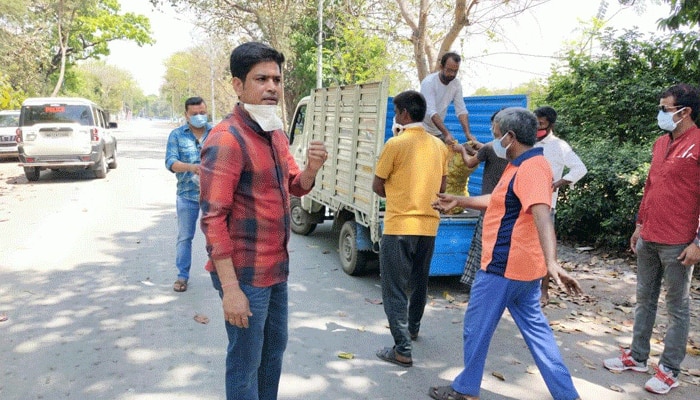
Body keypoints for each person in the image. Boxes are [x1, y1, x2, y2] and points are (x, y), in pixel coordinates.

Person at [198, 42, 328, 400]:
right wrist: (231, 290)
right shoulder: (227, 139)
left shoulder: (274, 132)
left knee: (272, 354)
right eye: (261, 79)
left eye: (277, 79)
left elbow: (294, 186)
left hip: (275, 270)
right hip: (244, 275)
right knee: (245, 363)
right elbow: (212, 219)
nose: (272, 86)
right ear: (238, 86)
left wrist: (312, 168)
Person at [428, 107, 582, 400]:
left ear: (511, 137)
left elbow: (542, 214)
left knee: (476, 328)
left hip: (503, 267)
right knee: (538, 336)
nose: (494, 140)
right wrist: (460, 200)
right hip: (523, 271)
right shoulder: (519, 165)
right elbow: (498, 200)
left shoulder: (531, 169)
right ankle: (567, 396)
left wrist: (552, 261)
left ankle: (465, 389)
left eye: (497, 136)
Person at [603, 83, 700, 395]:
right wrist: (639, 224)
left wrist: (698, 242)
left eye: (665, 108)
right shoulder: (660, 143)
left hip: (679, 241)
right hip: (650, 236)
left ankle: (670, 368)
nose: (661, 113)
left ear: (685, 111)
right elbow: (650, 185)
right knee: (644, 300)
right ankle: (638, 356)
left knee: (677, 307)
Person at [372, 90, 450, 368]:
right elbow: (442, 189)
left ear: (404, 113)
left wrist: (399, 195)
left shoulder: (395, 144)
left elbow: (377, 185)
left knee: (394, 288)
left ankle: (402, 349)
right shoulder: (440, 147)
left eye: (396, 111)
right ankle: (413, 329)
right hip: (429, 226)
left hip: (399, 226)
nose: (396, 116)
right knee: (419, 282)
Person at [533, 106, 587, 305]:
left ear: (551, 125)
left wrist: (559, 183)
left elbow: (580, 168)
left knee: (547, 251)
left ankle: (544, 291)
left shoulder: (558, 146)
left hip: (547, 206)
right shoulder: (527, 142)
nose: (537, 127)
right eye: (535, 122)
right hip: (525, 205)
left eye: (541, 124)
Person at [451, 110, 508, 293]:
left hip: (487, 205)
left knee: (482, 248)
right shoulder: (513, 149)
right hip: (506, 206)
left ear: (497, 127)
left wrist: (461, 150)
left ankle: (479, 286)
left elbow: (469, 163)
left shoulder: (489, 148)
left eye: (493, 125)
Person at [165, 96, 212, 292]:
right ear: (186, 115)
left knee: (216, 237)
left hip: (213, 196)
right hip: (187, 195)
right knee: (185, 237)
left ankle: (221, 276)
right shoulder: (177, 136)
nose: (199, 117)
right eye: (195, 114)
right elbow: (170, 163)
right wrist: (191, 167)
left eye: (202, 113)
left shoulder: (217, 132)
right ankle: (182, 277)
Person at [421, 51, 480, 147]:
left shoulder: (456, 84)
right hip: (421, 129)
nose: (452, 74)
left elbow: (461, 110)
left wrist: (468, 134)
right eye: (449, 70)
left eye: (455, 71)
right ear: (441, 67)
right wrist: (446, 133)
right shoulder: (429, 83)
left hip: (437, 131)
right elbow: (431, 112)